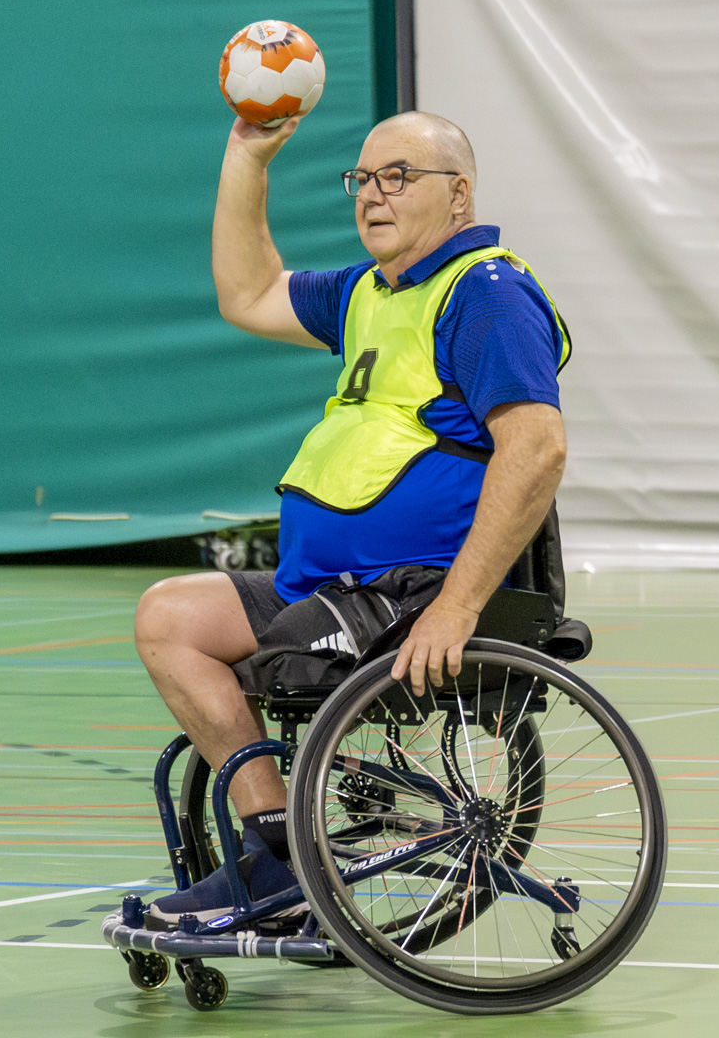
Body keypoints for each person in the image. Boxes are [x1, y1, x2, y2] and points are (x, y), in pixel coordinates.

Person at [133, 110, 571, 927]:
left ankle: (279, 866)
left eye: (398, 176)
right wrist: (247, 154)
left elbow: (537, 450)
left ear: (459, 194)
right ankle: (277, 853)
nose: (373, 196)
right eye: (363, 180)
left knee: (290, 645)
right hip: (332, 584)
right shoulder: (372, 292)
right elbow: (250, 293)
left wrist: (461, 604)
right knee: (170, 617)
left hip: (410, 593)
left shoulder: (486, 295)